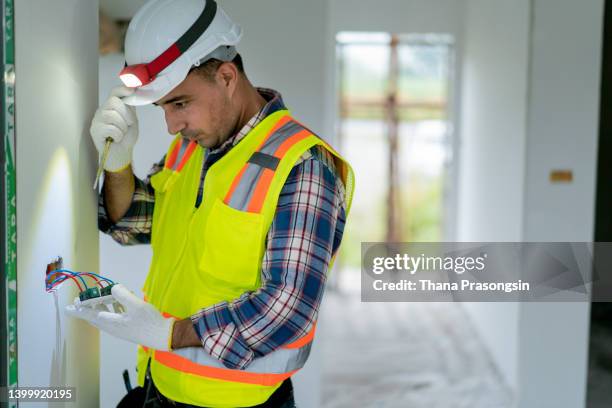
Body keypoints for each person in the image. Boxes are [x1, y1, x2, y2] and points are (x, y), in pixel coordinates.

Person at [66, 0, 354, 407]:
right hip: (160, 383)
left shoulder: (302, 166)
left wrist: (168, 333)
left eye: (180, 103)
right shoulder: (193, 147)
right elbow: (134, 223)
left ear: (226, 76)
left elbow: (286, 308)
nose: (171, 125)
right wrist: (117, 163)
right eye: (162, 107)